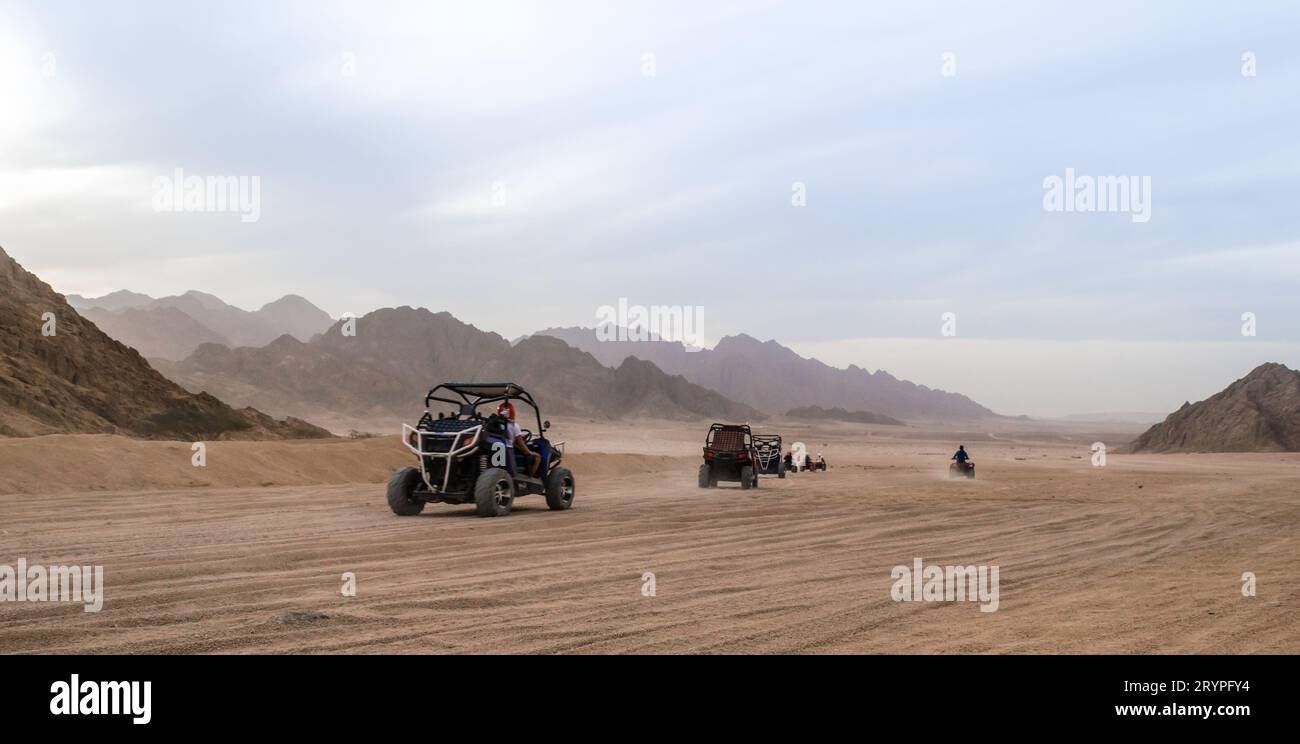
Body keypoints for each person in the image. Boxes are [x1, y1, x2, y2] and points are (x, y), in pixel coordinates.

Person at [499, 402, 542, 477]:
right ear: (512, 412)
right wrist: (530, 452)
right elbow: (522, 445)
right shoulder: (514, 426)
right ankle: (530, 477)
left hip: (501, 450)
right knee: (537, 456)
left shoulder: (497, 424)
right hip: (508, 452)